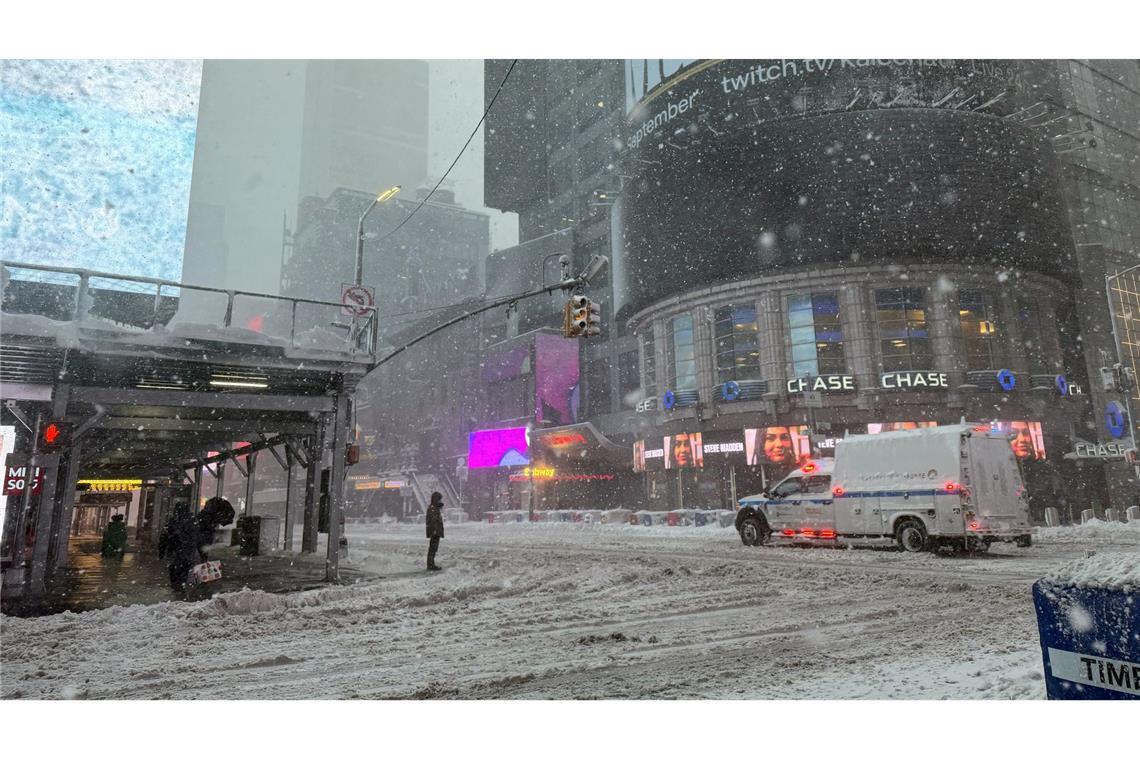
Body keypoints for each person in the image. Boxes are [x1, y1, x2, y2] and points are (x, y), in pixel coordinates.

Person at [158, 502, 201, 592]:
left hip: (175, 551)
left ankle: (177, 587)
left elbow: (164, 537)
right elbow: (197, 537)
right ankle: (181, 587)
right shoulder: (193, 521)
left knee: (175, 571)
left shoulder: (173, 521)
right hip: (187, 553)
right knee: (183, 571)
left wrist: (161, 551)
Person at [426, 491, 444, 571]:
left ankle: (431, 564)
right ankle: (430, 564)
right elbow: (433, 521)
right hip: (435, 532)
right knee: (432, 548)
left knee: (433, 548)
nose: (440, 501)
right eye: (439, 500)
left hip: (435, 531)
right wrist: (435, 531)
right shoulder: (432, 509)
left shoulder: (434, 508)